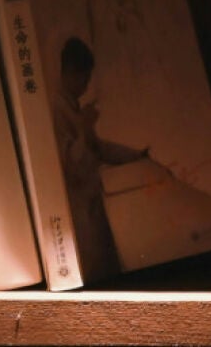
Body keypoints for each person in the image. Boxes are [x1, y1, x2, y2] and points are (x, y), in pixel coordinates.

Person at [52, 34, 146, 280]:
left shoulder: (73, 107)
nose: (86, 85)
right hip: (79, 210)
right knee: (96, 269)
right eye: (85, 78)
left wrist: (135, 155)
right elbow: (71, 165)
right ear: (71, 72)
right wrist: (84, 127)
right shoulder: (57, 109)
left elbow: (99, 148)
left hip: (92, 204)